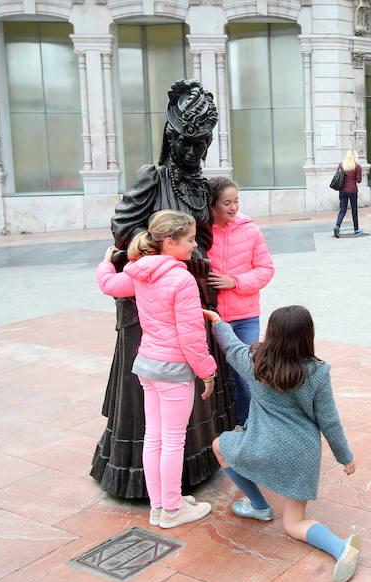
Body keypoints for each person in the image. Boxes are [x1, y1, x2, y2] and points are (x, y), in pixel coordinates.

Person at [91, 79, 237, 498]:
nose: (193, 154)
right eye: (186, 144)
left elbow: (203, 235)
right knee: (156, 396)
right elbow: (123, 229)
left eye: (201, 145)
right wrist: (162, 252)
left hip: (189, 296)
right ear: (171, 138)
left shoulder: (200, 183)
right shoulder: (151, 178)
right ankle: (152, 485)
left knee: (185, 386)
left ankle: (191, 468)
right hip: (151, 302)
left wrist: (198, 252)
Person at [204, 305, 360, 582]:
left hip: (260, 446)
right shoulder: (318, 373)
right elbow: (330, 422)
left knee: (219, 445)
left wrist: (217, 322)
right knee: (293, 524)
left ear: (271, 333)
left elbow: (230, 346)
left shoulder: (255, 361)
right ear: (307, 335)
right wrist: (344, 456)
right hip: (302, 457)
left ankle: (258, 504)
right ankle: (341, 548)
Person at [97, 210, 216, 528]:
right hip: (174, 370)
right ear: (169, 242)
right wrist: (208, 373)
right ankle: (173, 510)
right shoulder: (182, 278)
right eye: (189, 240)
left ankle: (160, 506)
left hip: (148, 365)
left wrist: (107, 260)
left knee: (154, 438)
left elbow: (109, 284)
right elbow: (191, 338)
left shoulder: (139, 271)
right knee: (173, 440)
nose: (194, 245)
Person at [207, 177, 275, 427]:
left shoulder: (250, 230)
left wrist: (233, 281)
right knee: (214, 375)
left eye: (236, 201)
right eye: (227, 203)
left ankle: (250, 426)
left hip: (245, 315)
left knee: (247, 374)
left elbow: (266, 270)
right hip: (212, 318)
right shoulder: (200, 234)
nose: (233, 207)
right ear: (213, 206)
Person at [333, 149, 363, 237]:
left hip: (342, 191)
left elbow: (338, 175)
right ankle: (356, 229)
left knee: (342, 210)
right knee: (354, 210)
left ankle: (337, 226)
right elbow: (359, 180)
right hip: (352, 191)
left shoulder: (341, 165)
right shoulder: (357, 166)